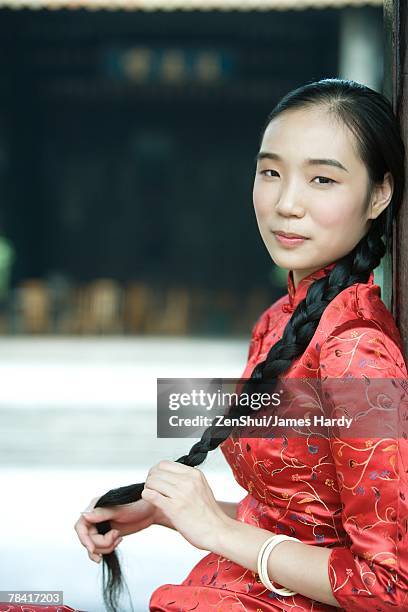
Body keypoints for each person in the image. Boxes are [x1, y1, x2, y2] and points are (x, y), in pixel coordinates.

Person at [74, 78, 408, 611]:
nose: (286, 203)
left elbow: (392, 588)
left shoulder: (356, 351)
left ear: (379, 193)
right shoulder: (281, 322)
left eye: (322, 178)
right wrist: (167, 512)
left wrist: (216, 530)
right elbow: (299, 523)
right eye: (270, 172)